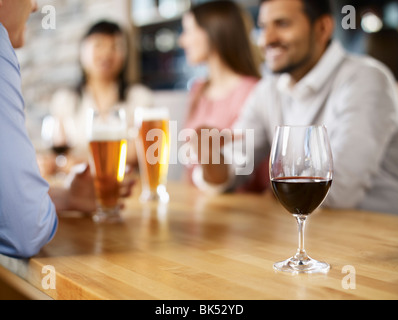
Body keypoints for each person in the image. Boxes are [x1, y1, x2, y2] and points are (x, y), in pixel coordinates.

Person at [193, 0, 398, 215]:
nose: (267, 39)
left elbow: (340, 189)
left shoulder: (365, 79)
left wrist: (275, 192)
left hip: (378, 233)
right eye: (263, 27)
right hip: (311, 232)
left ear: (322, 28)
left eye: (282, 24)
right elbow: (235, 168)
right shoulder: (269, 89)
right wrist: (211, 156)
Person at [0, 0, 132, 259]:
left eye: (114, 46)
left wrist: (61, 197)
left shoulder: (137, 96)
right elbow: (24, 230)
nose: (36, 6)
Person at [179, 0, 269, 193]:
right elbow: (189, 169)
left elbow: (249, 168)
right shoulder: (198, 90)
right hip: (197, 206)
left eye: (188, 31)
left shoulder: (254, 91)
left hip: (239, 211)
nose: (182, 41)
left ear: (213, 32)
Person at [49, 20, 154, 166]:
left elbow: (138, 151)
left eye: (115, 46)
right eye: (99, 45)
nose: (107, 53)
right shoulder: (64, 100)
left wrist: (79, 163)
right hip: (78, 186)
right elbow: (60, 151)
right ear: (82, 51)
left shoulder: (140, 97)